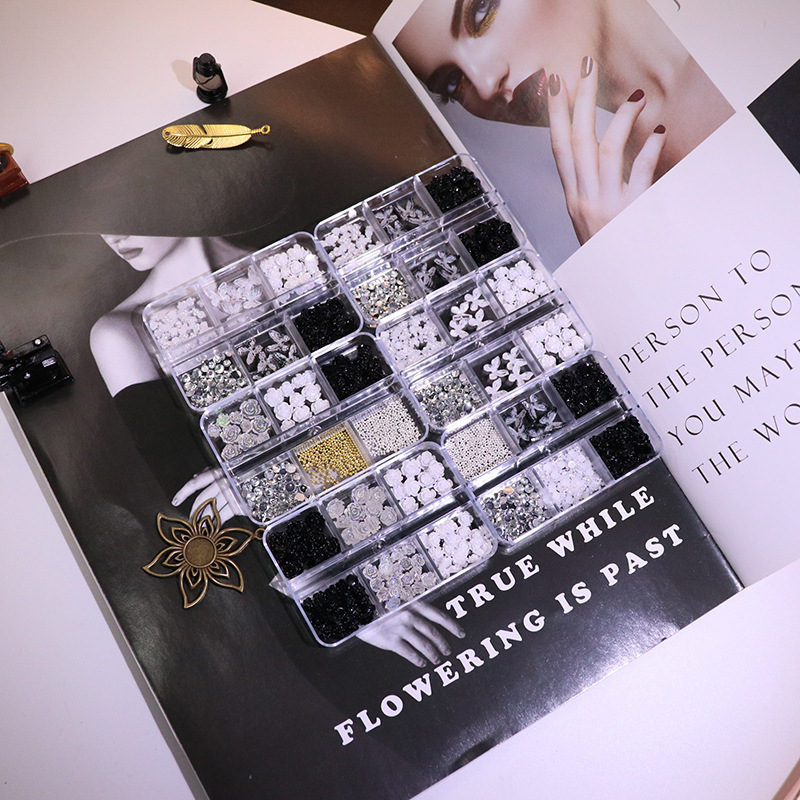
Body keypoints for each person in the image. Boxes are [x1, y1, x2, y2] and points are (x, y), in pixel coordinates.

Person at [90, 232, 463, 666]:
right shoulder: (120, 333)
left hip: (438, 513)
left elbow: (405, 418)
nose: (113, 234)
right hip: (325, 592)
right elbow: (200, 507)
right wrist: (341, 601)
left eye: (118, 207)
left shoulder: (302, 261)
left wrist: (276, 480)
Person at [395, 0, 733, 244]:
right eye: (452, 83)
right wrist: (615, 255)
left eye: (481, 11)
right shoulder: (620, 189)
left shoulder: (726, 47)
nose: (484, 83)